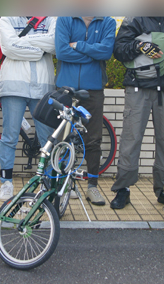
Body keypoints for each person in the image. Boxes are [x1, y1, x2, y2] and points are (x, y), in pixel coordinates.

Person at [109, 9, 164, 209]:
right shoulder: (136, 16)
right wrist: (140, 45)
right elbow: (119, 49)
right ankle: (123, 189)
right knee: (131, 139)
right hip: (138, 88)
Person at [55, 16, 116, 205]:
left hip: (93, 89)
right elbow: (61, 52)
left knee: (94, 139)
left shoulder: (108, 22)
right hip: (66, 88)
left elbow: (106, 52)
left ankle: (92, 187)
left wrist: (78, 45)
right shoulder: (65, 18)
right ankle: (61, 183)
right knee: (62, 137)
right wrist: (92, 54)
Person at [0, 16, 57, 201]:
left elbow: (54, 44)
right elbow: (8, 47)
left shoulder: (52, 18)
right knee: (9, 137)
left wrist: (23, 41)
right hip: (13, 85)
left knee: (48, 139)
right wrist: (39, 50)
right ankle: (6, 183)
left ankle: (49, 182)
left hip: (43, 86)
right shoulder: (7, 18)